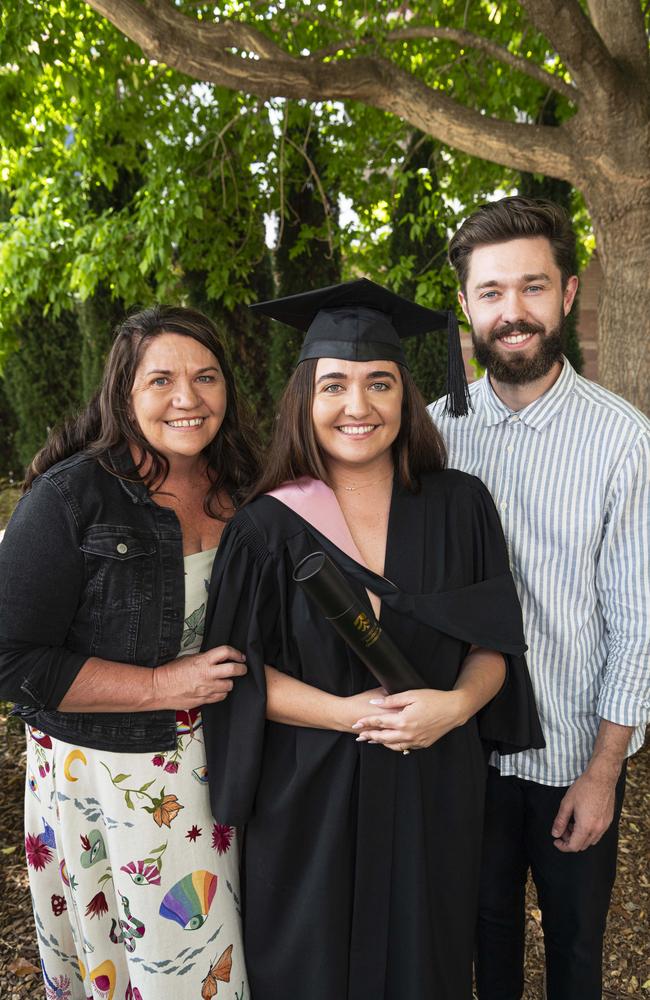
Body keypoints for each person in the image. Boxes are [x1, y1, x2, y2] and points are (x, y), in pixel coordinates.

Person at [199, 278, 544, 1000]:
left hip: (432, 785)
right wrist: (354, 714)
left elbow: (494, 648)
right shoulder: (266, 528)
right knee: (309, 967)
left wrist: (452, 708)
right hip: (309, 795)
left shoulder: (459, 506)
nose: (358, 407)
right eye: (334, 386)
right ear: (305, 399)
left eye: (379, 383)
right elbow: (239, 672)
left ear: (405, 396)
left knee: (428, 961)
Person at [0, 306, 259, 999]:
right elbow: (13, 660)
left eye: (206, 376)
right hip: (113, 779)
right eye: (162, 380)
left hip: (230, 760)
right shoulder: (69, 499)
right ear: (123, 393)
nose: (188, 397)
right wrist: (160, 686)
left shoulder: (243, 482)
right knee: (158, 968)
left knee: (228, 958)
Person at [429, 196, 650, 1000]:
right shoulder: (431, 435)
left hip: (571, 754)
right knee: (479, 944)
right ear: (466, 306)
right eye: (491, 292)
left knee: (575, 951)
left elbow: (638, 622)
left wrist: (603, 770)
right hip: (464, 751)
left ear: (569, 293)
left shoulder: (622, 439)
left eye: (531, 287)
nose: (511, 312)